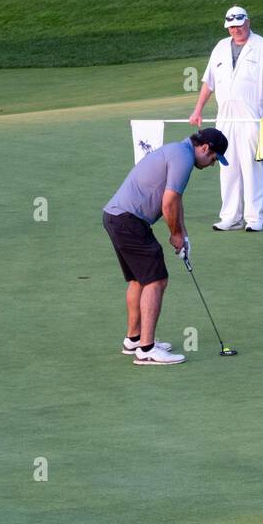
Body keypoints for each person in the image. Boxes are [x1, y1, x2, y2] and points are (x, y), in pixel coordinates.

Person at [102, 128, 229, 366]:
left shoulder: (178, 151)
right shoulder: (183, 158)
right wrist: (175, 235)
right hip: (128, 221)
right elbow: (168, 202)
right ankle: (147, 350)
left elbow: (176, 200)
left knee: (139, 280)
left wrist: (183, 234)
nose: (212, 164)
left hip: (116, 217)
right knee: (156, 280)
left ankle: (134, 339)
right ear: (204, 148)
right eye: (214, 158)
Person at [188, 5, 263, 232]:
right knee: (227, 167)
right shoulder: (220, 48)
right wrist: (197, 109)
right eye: (231, 26)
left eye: (239, 25)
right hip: (225, 119)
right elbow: (208, 82)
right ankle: (231, 216)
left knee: (252, 167)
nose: (235, 30)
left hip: (252, 118)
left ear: (248, 22)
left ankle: (255, 217)